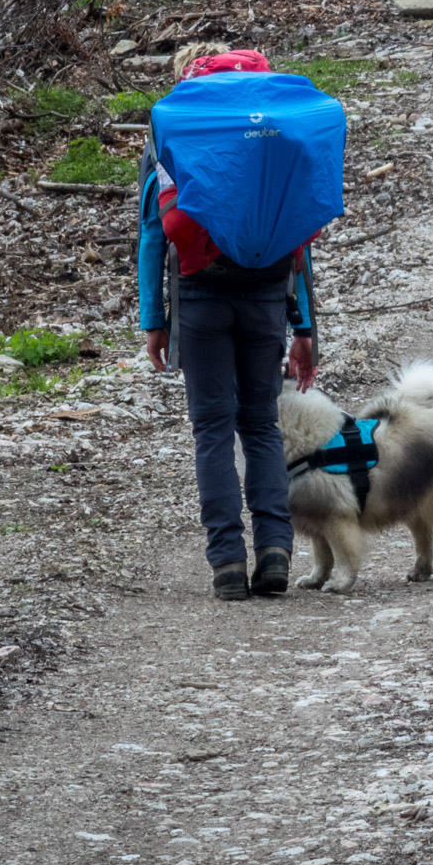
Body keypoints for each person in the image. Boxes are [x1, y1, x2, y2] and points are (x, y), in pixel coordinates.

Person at [138, 43, 319, 601]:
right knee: (261, 425)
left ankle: (225, 564)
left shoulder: (173, 127)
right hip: (266, 295)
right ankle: (275, 551)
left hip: (200, 296)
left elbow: (151, 233)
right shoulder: (275, 129)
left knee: (212, 430)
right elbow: (300, 234)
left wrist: (154, 319)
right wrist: (305, 328)